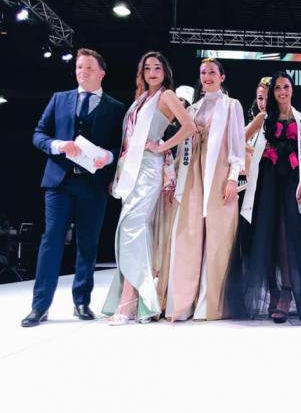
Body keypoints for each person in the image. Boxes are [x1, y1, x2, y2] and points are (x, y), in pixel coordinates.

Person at [22, 48, 125, 327]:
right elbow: (38, 134)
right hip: (60, 182)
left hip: (93, 184)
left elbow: (122, 146)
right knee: (51, 240)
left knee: (87, 243)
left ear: (102, 72)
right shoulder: (60, 99)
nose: (82, 72)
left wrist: (109, 156)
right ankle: (39, 306)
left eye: (89, 67)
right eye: (79, 67)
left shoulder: (115, 107)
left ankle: (82, 301)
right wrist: (57, 145)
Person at [101, 51, 195, 324]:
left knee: (132, 229)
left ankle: (128, 301)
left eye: (157, 68)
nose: (152, 72)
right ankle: (140, 301)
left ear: (165, 72)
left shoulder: (167, 96)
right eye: (147, 68)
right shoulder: (140, 99)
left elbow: (189, 127)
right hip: (131, 170)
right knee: (131, 232)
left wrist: (162, 146)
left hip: (149, 171)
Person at [161, 58, 245, 322]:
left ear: (222, 76)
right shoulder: (193, 108)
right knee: (190, 235)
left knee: (219, 238)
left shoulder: (231, 105)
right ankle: (185, 303)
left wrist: (232, 178)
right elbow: (183, 147)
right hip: (193, 176)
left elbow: (237, 145)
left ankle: (212, 304)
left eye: (212, 72)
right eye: (203, 72)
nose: (207, 77)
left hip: (219, 175)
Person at [230, 71, 301, 325]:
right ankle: (273, 292)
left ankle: (287, 292)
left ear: (292, 89)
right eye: (277, 88)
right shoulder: (264, 117)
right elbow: (238, 139)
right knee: (265, 235)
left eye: (286, 87)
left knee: (286, 236)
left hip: (291, 183)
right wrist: (255, 149)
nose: (282, 92)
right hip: (266, 181)